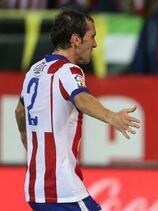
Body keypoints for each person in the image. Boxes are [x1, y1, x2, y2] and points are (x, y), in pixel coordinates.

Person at [14, 8, 140, 210]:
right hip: (62, 190)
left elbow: (20, 112)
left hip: (35, 189)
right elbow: (81, 99)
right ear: (76, 39)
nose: (95, 44)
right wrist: (111, 116)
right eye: (92, 36)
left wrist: (25, 137)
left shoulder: (35, 71)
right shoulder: (68, 70)